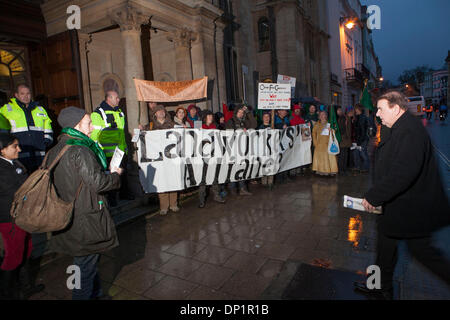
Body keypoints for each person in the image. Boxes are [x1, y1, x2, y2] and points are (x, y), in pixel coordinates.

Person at [356, 91, 450, 300]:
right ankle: (380, 287)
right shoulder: (396, 126)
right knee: (384, 248)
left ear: (396, 109)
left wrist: (374, 196)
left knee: (423, 253)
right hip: (397, 206)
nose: (377, 114)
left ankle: (381, 287)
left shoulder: (410, 131)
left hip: (413, 208)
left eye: (381, 109)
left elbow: (404, 172)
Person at [47, 106, 123, 300]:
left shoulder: (56, 149)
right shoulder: (80, 150)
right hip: (85, 217)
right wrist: (114, 176)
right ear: (77, 124)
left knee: (85, 261)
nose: (91, 128)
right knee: (84, 267)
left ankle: (95, 295)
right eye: (88, 123)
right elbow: (98, 183)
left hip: (69, 215)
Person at [0, 133, 46, 300]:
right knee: (13, 255)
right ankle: (6, 292)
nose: (19, 149)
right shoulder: (2, 169)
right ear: (2, 150)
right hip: (10, 219)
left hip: (22, 216)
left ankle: (25, 286)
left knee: (26, 250)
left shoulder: (14, 162)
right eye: (14, 146)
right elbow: (17, 191)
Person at [0, 84, 53, 173]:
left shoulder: (40, 110)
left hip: (39, 154)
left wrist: (46, 142)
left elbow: (48, 129)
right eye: (22, 94)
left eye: (28, 93)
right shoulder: (6, 110)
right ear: (16, 95)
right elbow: (2, 134)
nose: (26, 96)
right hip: (18, 155)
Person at [90, 91, 131, 205]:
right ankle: (112, 199)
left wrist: (125, 148)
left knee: (123, 173)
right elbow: (95, 135)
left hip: (121, 150)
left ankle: (124, 194)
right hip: (107, 152)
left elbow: (121, 132)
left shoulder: (119, 112)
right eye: (116, 98)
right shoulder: (98, 113)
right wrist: (96, 150)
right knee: (110, 176)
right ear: (109, 98)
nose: (118, 100)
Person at [151, 105, 179, 215]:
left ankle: (173, 204)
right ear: (155, 114)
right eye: (158, 111)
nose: (161, 112)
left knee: (172, 180)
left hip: (171, 157)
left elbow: (180, 133)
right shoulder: (151, 125)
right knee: (161, 182)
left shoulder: (171, 124)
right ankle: (164, 207)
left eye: (163, 111)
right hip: (158, 158)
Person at [198, 111, 226, 208]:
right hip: (203, 156)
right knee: (203, 178)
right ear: (204, 117)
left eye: (211, 116)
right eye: (208, 116)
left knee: (215, 176)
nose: (210, 117)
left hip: (213, 155)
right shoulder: (199, 125)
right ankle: (201, 199)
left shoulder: (215, 126)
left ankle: (216, 195)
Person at [225, 105, 252, 195]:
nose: (241, 114)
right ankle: (232, 188)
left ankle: (242, 188)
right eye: (239, 112)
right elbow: (229, 135)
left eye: (242, 113)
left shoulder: (244, 121)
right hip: (233, 150)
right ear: (235, 113)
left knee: (242, 168)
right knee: (233, 168)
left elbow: (254, 124)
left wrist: (248, 112)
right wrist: (239, 130)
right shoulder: (231, 121)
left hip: (242, 149)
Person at [311, 111, 338, 176]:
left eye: (323, 114)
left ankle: (330, 171)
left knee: (329, 157)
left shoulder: (329, 123)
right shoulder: (316, 124)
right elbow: (313, 133)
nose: (322, 116)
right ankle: (321, 171)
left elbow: (334, 132)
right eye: (321, 114)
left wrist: (332, 130)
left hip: (327, 143)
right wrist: (315, 142)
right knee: (320, 158)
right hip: (319, 144)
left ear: (326, 115)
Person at [258, 112, 274, 189]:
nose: (267, 118)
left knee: (271, 165)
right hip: (263, 150)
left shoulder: (273, 126)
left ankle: (270, 182)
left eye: (268, 116)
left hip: (272, 150)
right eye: (265, 116)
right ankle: (264, 182)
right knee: (264, 165)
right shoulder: (260, 127)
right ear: (262, 118)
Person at [353, 104, 370, 173]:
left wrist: (360, 140)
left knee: (363, 153)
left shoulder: (363, 117)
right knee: (356, 153)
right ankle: (357, 167)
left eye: (355, 109)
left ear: (358, 109)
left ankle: (365, 168)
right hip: (358, 139)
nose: (355, 110)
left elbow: (363, 130)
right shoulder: (357, 117)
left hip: (362, 139)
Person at [336, 106, 352, 175]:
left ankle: (344, 169)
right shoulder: (340, 119)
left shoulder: (345, 118)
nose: (339, 111)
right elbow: (341, 129)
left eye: (340, 110)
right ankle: (341, 170)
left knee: (344, 155)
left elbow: (349, 129)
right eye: (338, 110)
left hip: (346, 140)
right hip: (342, 140)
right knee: (342, 155)